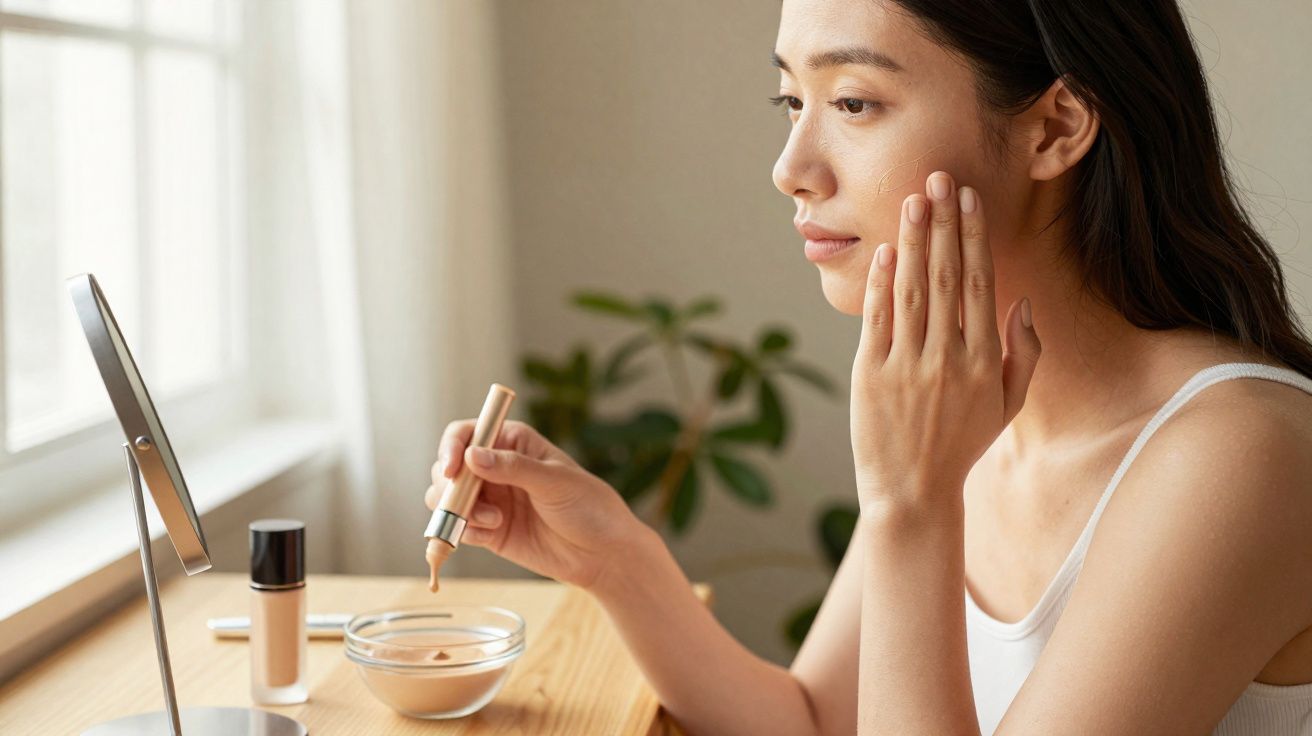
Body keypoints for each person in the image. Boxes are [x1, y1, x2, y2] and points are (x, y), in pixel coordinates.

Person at [424, 0, 1312, 733]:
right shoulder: (973, 407)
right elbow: (816, 720)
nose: (791, 170)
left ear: (1055, 127)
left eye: (852, 103)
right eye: (791, 102)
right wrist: (616, 562)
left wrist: (911, 509)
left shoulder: (1241, 455)